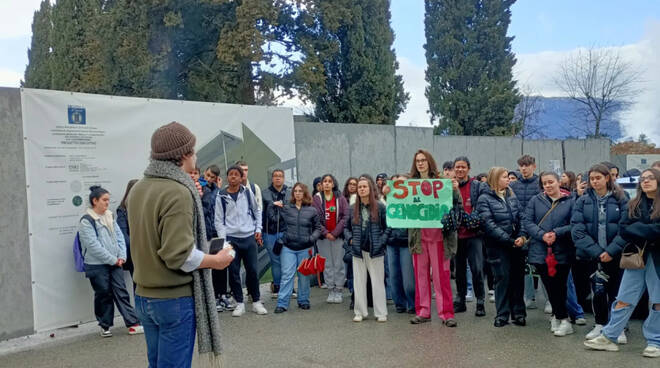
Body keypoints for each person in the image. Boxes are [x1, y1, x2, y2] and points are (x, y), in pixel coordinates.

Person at [128, 122, 234, 367]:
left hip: (144, 297)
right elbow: (180, 256)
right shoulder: (177, 192)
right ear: (184, 154)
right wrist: (216, 261)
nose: (196, 156)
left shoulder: (139, 188)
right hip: (173, 300)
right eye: (193, 150)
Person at [584, 168, 660, 358]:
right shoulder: (634, 203)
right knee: (624, 297)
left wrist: (641, 230)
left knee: (658, 301)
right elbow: (624, 229)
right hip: (635, 257)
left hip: (657, 259)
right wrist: (650, 231)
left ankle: (655, 341)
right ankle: (609, 337)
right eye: (643, 179)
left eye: (651, 178)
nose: (646, 181)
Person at [571, 163, 628, 342]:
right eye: (592, 178)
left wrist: (611, 250)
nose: (595, 182)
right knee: (598, 290)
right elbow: (577, 230)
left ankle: (618, 327)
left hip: (616, 254)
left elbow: (626, 227)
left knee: (618, 291)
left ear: (607, 178)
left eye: (598, 178)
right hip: (592, 255)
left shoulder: (621, 197)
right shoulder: (582, 200)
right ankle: (600, 324)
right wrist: (597, 252)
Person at [79, 185, 143, 338]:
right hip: (97, 265)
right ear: (95, 201)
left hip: (116, 263)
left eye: (108, 200)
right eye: (104, 200)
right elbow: (93, 245)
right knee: (103, 294)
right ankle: (105, 325)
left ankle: (132, 323)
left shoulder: (109, 216)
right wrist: (112, 259)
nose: (107, 203)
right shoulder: (87, 221)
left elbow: (119, 237)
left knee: (121, 291)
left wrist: (121, 256)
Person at [405, 149, 460, 327]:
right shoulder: (410, 184)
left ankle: (446, 314)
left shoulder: (442, 182)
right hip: (419, 238)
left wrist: (454, 190)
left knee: (441, 277)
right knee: (420, 276)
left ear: (429, 162)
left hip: (439, 238)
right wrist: (389, 191)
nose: (420, 163)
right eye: (417, 160)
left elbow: (456, 202)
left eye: (423, 160)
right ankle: (423, 311)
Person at [523, 172, 576, 336]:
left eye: (551, 182)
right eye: (544, 183)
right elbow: (527, 221)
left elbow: (575, 223)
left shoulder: (570, 201)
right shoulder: (535, 200)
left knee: (560, 286)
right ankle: (558, 316)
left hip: (563, 250)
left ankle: (564, 319)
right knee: (549, 286)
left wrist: (557, 233)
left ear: (559, 182)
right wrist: (542, 235)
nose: (548, 185)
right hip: (541, 250)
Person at [477, 167, 528, 327]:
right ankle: (502, 315)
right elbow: (488, 224)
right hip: (498, 246)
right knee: (502, 279)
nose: (508, 179)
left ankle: (518, 313)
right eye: (505, 177)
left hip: (516, 245)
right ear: (495, 179)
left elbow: (522, 216)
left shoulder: (512, 196)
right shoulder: (484, 199)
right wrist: (509, 240)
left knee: (518, 279)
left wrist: (521, 235)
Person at [215, 165, 267, 317]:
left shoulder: (247, 192)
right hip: (232, 239)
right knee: (233, 272)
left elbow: (257, 210)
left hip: (249, 236)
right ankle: (239, 303)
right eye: (230, 174)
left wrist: (258, 229)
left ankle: (256, 301)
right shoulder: (221, 196)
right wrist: (224, 241)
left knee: (252, 270)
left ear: (241, 177)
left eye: (236, 174)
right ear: (227, 177)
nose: (233, 177)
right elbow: (218, 220)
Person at [344, 175, 391, 322]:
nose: (362, 189)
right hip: (358, 250)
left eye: (365, 186)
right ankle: (360, 312)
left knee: (377, 282)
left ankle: (381, 312)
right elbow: (346, 227)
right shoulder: (352, 209)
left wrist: (381, 242)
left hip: (375, 250)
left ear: (370, 189)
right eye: (360, 187)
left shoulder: (380, 206)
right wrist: (350, 239)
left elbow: (388, 227)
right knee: (359, 282)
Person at [272, 183, 322, 313]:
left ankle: (303, 300)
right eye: (295, 191)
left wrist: (312, 239)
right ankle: (282, 303)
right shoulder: (287, 208)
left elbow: (318, 228)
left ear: (305, 193)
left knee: (304, 276)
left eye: (300, 191)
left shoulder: (312, 210)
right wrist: (274, 208)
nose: (297, 193)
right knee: (287, 275)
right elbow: (273, 219)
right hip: (288, 247)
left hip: (305, 247)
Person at [452, 156, 486, 317]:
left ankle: (480, 301)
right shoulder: (449, 186)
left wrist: (472, 219)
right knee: (459, 271)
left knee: (477, 269)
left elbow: (482, 206)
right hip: (457, 235)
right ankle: (460, 300)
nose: (460, 170)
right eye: (457, 167)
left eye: (463, 167)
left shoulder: (477, 186)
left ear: (468, 169)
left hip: (474, 234)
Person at [509, 155, 544, 311]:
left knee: (542, 265)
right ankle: (529, 297)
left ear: (534, 166)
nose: (524, 168)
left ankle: (550, 300)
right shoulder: (513, 186)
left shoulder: (540, 184)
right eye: (521, 165)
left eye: (527, 165)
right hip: (520, 230)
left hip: (537, 229)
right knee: (525, 267)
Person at [202, 164, 234, 312]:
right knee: (211, 265)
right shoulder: (202, 189)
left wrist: (217, 190)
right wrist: (217, 189)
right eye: (208, 175)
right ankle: (214, 296)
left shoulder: (216, 190)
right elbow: (208, 205)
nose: (208, 179)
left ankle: (222, 294)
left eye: (212, 178)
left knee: (221, 265)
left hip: (218, 233)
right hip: (207, 234)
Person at [313, 174, 350, 303]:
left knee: (338, 263)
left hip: (337, 237)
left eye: (330, 181)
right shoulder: (316, 199)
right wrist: (326, 233)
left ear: (333, 184)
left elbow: (346, 217)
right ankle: (330, 289)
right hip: (323, 238)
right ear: (321, 185)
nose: (327, 184)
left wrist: (334, 233)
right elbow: (315, 218)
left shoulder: (340, 198)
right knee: (327, 264)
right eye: (325, 181)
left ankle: (339, 289)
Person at [385, 174, 416, 314]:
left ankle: (412, 303)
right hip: (391, 242)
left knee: (408, 278)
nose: (400, 186)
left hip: (406, 242)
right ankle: (400, 303)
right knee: (394, 275)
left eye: (403, 183)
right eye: (396, 184)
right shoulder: (387, 199)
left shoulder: (413, 200)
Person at [262, 169, 292, 298]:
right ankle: (278, 287)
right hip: (270, 232)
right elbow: (261, 213)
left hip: (286, 231)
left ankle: (288, 287)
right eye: (275, 176)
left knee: (287, 261)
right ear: (272, 179)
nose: (278, 178)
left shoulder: (290, 193)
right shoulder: (265, 193)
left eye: (280, 176)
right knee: (275, 261)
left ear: (284, 178)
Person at [116, 179, 138, 282]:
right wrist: (137, 249)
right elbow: (123, 235)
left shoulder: (145, 207)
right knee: (138, 284)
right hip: (134, 254)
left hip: (147, 253)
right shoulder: (122, 210)